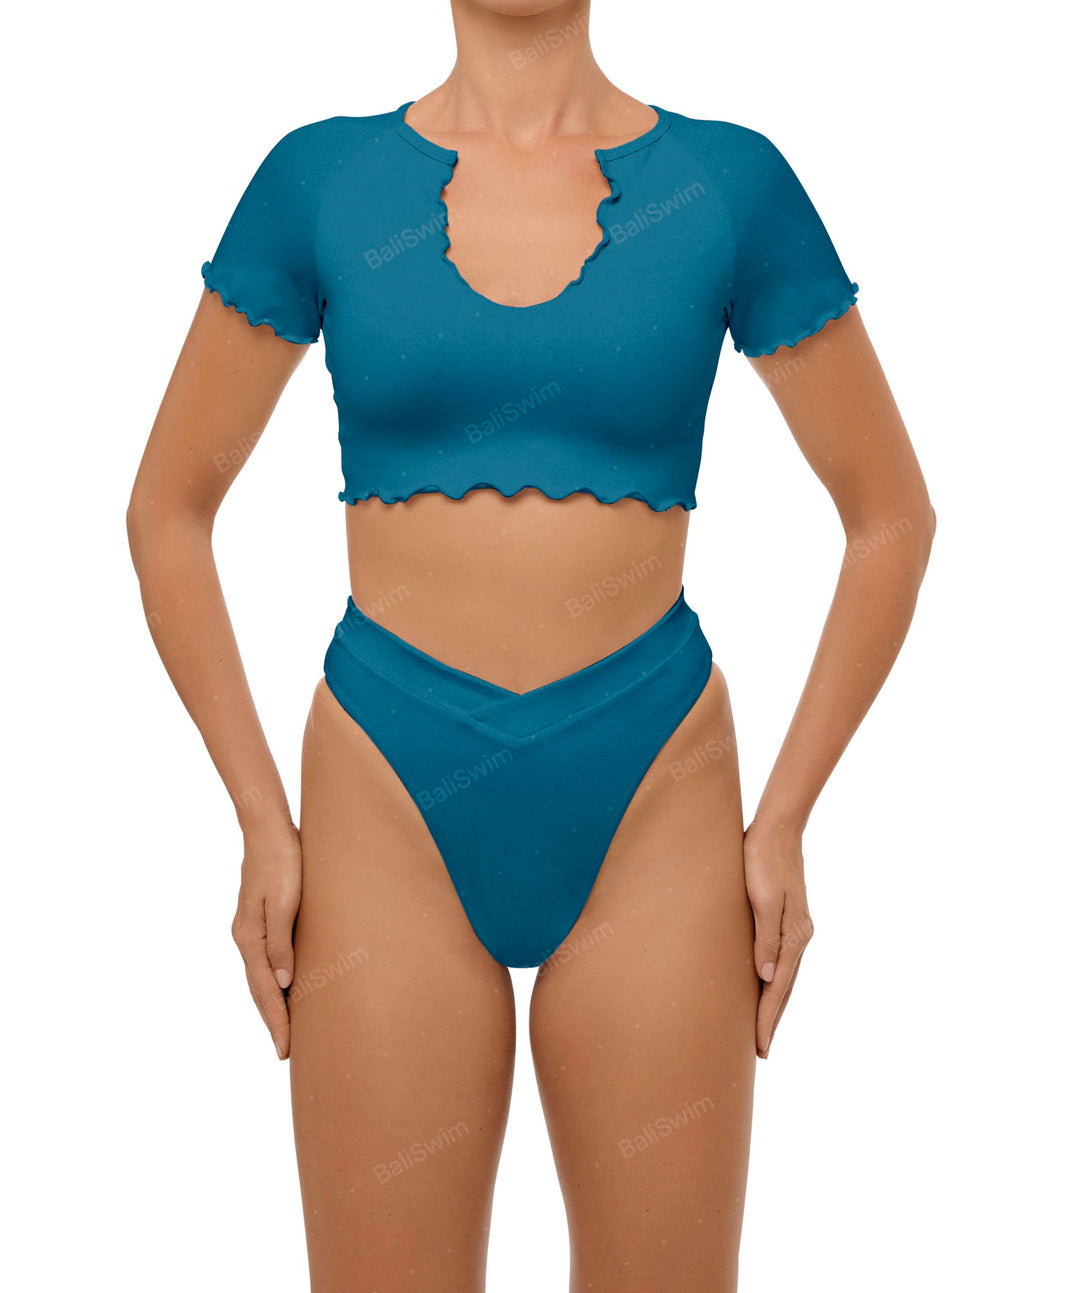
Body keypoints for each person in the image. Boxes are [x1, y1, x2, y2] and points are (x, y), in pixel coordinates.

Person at [127, 2, 935, 1287]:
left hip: (654, 782)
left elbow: (891, 517)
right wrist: (261, 822)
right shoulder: (319, 181)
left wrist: (784, 820)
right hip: (387, 788)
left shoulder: (727, 185)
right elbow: (168, 511)